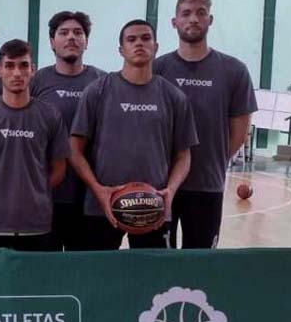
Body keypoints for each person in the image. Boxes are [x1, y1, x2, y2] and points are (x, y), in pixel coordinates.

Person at [70, 19, 198, 251]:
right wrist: (98, 189)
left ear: (156, 47)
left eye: (145, 38)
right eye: (131, 39)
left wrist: (170, 191)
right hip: (102, 206)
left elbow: (183, 156)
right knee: (97, 272)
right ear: (121, 50)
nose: (139, 43)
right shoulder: (97, 90)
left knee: (153, 274)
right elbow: (74, 150)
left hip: (154, 206)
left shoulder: (174, 97)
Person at [153, 0, 257, 249]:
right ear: (174, 22)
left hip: (207, 184)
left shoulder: (234, 70)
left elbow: (239, 132)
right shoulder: (157, 69)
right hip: (161, 185)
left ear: (210, 20)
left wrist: (212, 160)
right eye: (186, 13)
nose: (193, 19)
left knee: (200, 262)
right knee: (159, 261)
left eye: (201, 13)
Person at [0, 40, 69, 252]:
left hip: (37, 224)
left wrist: (34, 191)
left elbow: (59, 169)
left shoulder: (50, 116)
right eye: (9, 66)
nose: (17, 73)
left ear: (33, 70)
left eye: (23, 65)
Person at [31, 10, 105, 250]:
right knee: (48, 266)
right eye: (63, 33)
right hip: (48, 194)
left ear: (86, 41)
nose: (71, 37)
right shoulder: (36, 82)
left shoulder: (103, 82)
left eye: (78, 32)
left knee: (84, 266)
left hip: (90, 197)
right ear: (52, 42)